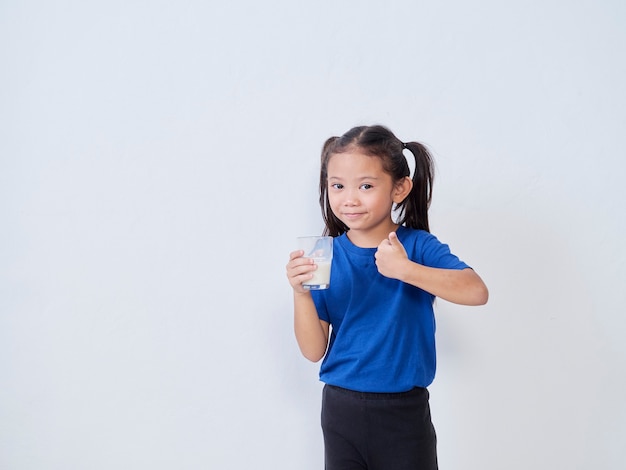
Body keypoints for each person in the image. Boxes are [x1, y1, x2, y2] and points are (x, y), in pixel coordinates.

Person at [286, 125, 488, 470]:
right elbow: (313, 350)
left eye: (365, 186)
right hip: (340, 409)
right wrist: (300, 294)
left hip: (403, 413)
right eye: (338, 186)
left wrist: (407, 270)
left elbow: (476, 291)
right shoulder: (325, 255)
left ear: (399, 188)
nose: (349, 199)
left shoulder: (418, 247)